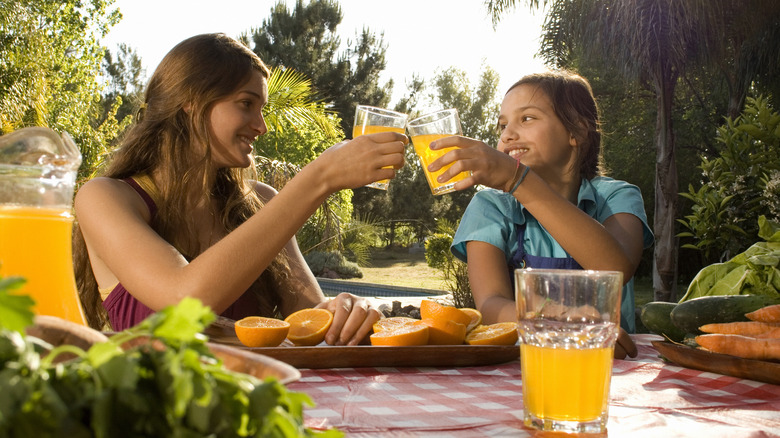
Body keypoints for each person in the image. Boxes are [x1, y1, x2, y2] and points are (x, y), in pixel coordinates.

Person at [72, 33, 407, 345]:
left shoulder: (259, 201)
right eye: (246, 104)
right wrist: (318, 178)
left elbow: (310, 319)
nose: (261, 126)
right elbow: (183, 299)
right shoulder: (105, 198)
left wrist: (346, 311)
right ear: (191, 101)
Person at [426, 70, 654, 359]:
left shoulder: (616, 197)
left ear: (577, 132)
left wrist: (517, 180)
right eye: (502, 125)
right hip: (525, 366)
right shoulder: (491, 207)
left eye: (527, 118)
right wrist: (557, 319)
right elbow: (490, 304)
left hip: (611, 368)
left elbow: (615, 271)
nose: (507, 134)